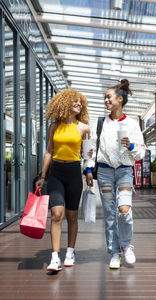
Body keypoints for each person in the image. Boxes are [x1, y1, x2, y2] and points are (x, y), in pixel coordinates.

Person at [85, 79, 146, 269]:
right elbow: (91, 148)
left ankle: (127, 245)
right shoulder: (101, 123)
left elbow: (141, 153)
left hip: (124, 171)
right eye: (104, 98)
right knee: (110, 214)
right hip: (103, 172)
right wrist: (88, 169)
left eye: (109, 97)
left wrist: (132, 145)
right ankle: (114, 252)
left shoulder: (132, 124)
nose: (106, 101)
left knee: (124, 211)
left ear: (120, 99)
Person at [36, 88, 90, 272]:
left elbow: (88, 154)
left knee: (72, 215)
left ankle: (70, 252)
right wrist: (43, 177)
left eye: (80, 102)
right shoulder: (54, 126)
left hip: (74, 172)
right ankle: (54, 257)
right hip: (56, 173)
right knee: (56, 215)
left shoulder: (83, 127)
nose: (78, 104)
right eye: (75, 101)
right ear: (64, 103)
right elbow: (49, 151)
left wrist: (89, 172)